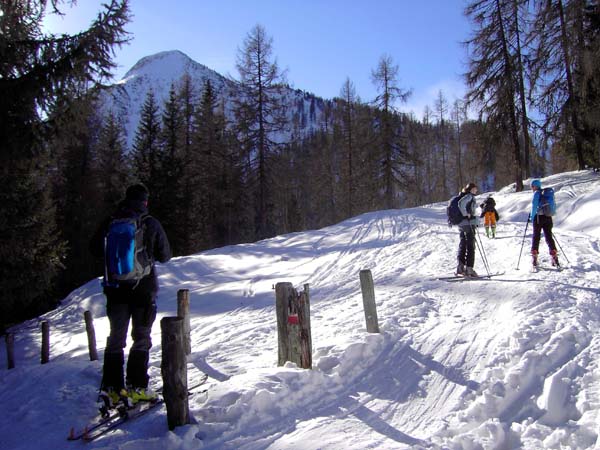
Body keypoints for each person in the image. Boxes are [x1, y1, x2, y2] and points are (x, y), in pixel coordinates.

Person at [90, 184, 171, 405]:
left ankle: (112, 389)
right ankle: (137, 387)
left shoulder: (111, 222)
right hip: (143, 290)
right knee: (141, 337)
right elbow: (165, 255)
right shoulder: (150, 223)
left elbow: (94, 249)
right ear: (145, 201)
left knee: (116, 338)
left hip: (115, 290)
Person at [529, 179, 558, 268]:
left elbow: (534, 206)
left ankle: (534, 256)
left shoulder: (536, 193)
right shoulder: (546, 193)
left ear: (534, 186)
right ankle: (554, 255)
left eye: (532, 186)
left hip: (538, 218)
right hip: (548, 217)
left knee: (536, 237)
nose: (531, 188)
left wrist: (531, 217)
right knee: (549, 236)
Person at [456, 182, 479, 277]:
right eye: (475, 188)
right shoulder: (469, 196)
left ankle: (460, 267)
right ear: (471, 189)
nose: (476, 190)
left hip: (461, 224)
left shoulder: (463, 195)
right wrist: (467, 214)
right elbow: (461, 204)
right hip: (468, 224)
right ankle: (469, 269)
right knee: (471, 246)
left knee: (463, 244)